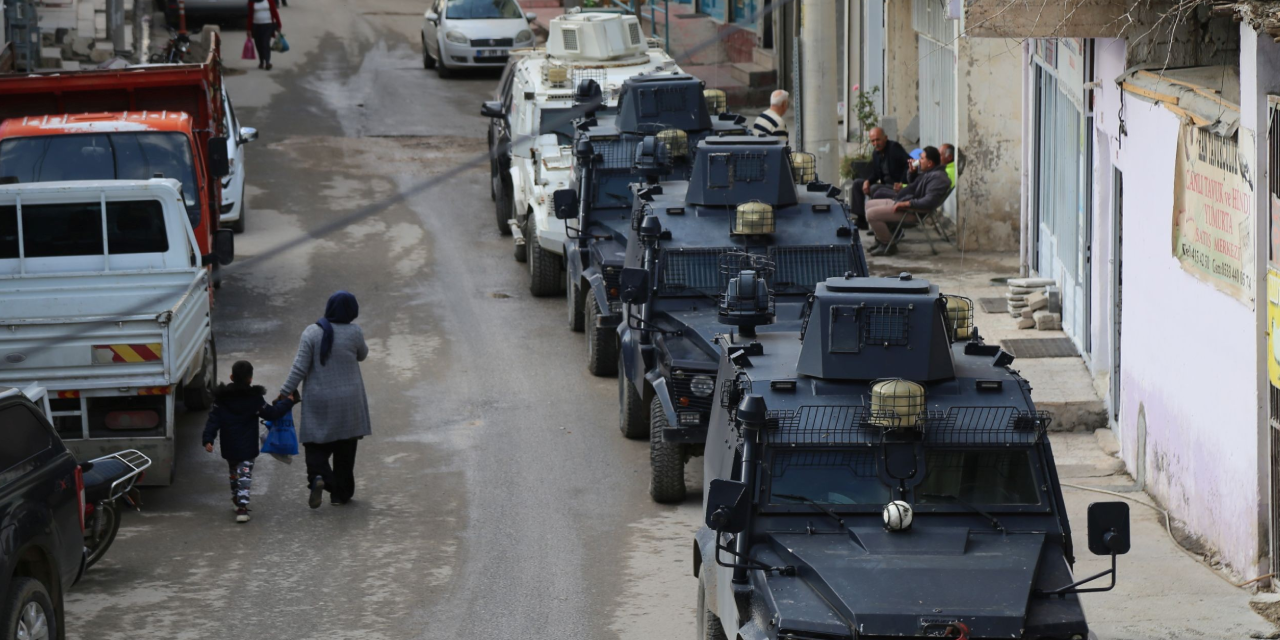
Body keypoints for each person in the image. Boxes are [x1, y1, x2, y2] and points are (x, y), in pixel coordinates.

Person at [280, 291, 370, 509]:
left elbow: (299, 367)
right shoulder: (355, 332)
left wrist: (285, 392)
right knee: (345, 449)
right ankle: (340, 495)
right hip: (349, 402)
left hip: (320, 400)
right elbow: (362, 354)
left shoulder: (311, 332)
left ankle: (319, 477)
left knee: (316, 446)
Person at [202, 360, 297, 523]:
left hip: (229, 445)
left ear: (231, 377)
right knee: (245, 475)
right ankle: (242, 508)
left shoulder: (222, 399)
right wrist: (288, 401)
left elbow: (213, 420)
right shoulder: (254, 398)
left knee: (234, 474)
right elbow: (272, 413)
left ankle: (236, 499)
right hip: (247, 446)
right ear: (250, 379)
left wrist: (208, 439)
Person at [864, 146, 951, 256]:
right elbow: (914, 185)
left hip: (912, 211)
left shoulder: (938, 178)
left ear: (929, 163)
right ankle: (880, 240)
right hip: (904, 202)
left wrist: (906, 204)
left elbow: (929, 201)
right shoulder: (929, 172)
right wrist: (912, 172)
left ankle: (888, 244)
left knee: (871, 214)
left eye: (922, 158)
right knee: (869, 204)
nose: (919, 161)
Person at [850, 127, 911, 231]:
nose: (875, 143)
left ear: (885, 138)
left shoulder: (894, 148)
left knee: (875, 189)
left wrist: (902, 182)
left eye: (878, 140)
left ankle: (878, 222)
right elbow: (876, 174)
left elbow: (908, 164)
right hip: (885, 185)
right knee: (857, 183)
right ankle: (861, 220)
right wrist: (867, 181)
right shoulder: (876, 153)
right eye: (873, 141)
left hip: (897, 187)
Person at [247, 0, 282, 71]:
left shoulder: (269, 1)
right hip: (256, 26)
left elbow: (274, 12)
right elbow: (250, 15)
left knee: (265, 43)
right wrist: (249, 29)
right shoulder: (251, 2)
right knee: (258, 44)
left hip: (268, 25)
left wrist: (279, 24)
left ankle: (267, 62)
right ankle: (261, 62)